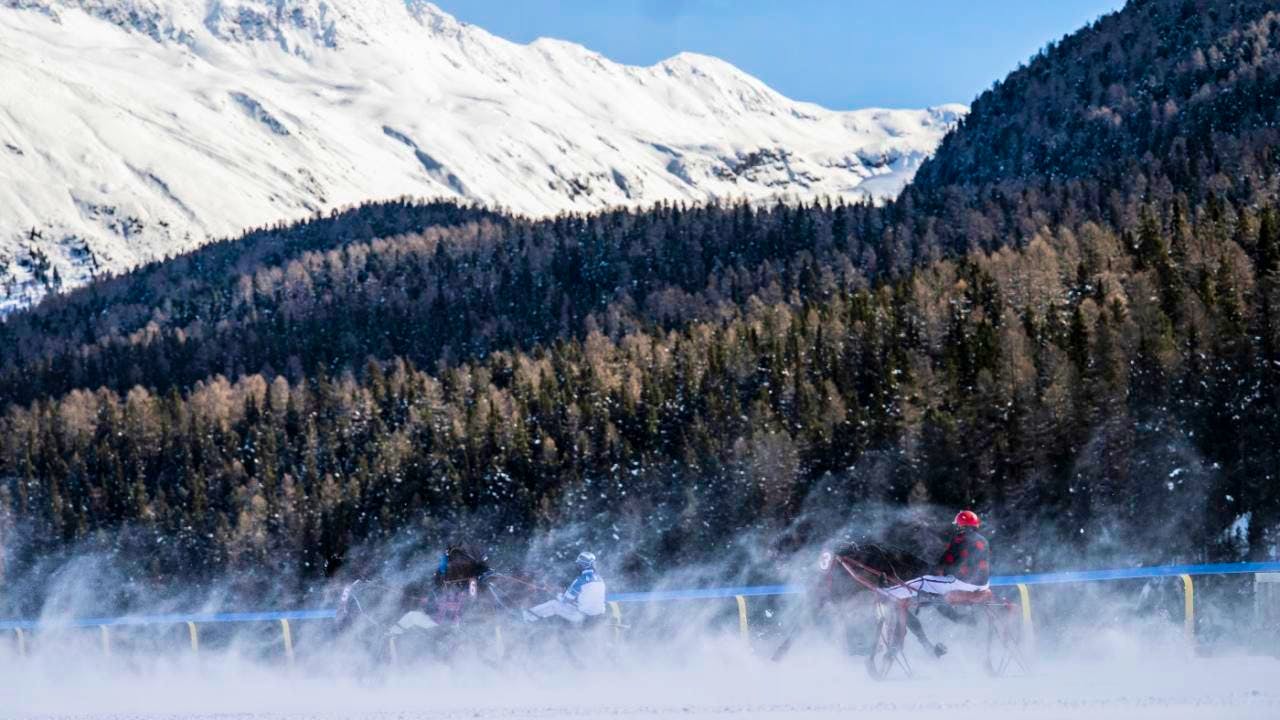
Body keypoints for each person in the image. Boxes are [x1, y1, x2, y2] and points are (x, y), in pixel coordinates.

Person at [524, 551, 607, 625]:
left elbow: (565, 600)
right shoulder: (600, 579)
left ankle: (528, 616)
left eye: (578, 564)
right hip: (598, 616)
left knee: (553, 604)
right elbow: (589, 600)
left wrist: (556, 594)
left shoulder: (580, 580)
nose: (577, 566)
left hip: (583, 617)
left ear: (583, 565)